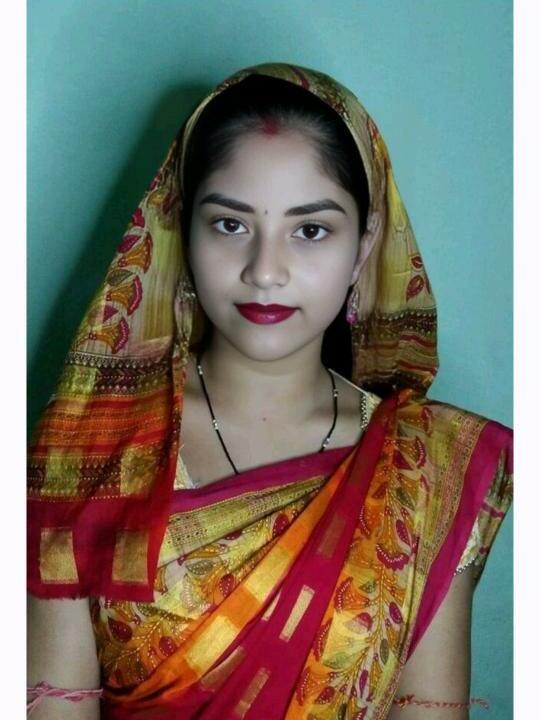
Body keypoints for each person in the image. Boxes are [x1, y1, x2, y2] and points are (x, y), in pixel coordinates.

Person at [27, 62, 513, 719]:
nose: (265, 270)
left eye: (310, 230)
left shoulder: (428, 473)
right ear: (182, 230)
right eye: (231, 225)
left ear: (364, 246)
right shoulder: (93, 447)